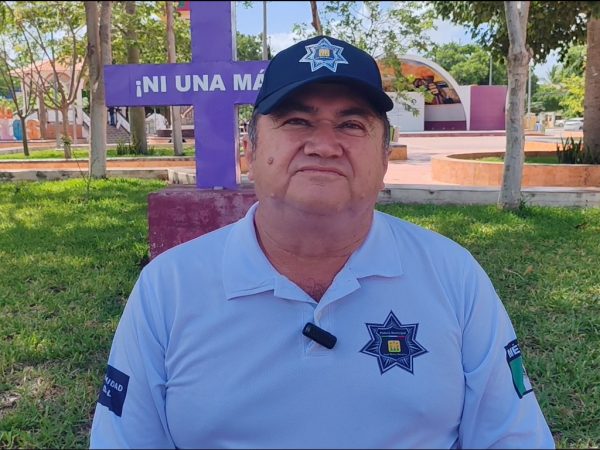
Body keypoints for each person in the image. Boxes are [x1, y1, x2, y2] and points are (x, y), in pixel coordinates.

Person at [90, 35, 555, 449]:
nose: (324, 145)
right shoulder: (168, 289)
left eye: (351, 125)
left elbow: (511, 437)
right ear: (250, 152)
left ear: (384, 158)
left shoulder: (453, 277)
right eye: (297, 121)